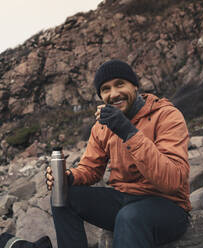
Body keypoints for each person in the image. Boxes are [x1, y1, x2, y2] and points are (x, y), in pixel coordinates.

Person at [46, 59, 191, 248]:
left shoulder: (166, 115)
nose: (114, 94)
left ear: (135, 86)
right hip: (124, 198)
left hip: (168, 206)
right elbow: (91, 169)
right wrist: (69, 177)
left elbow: (172, 181)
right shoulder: (102, 127)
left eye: (120, 84)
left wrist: (127, 131)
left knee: (130, 216)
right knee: (63, 196)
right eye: (106, 89)